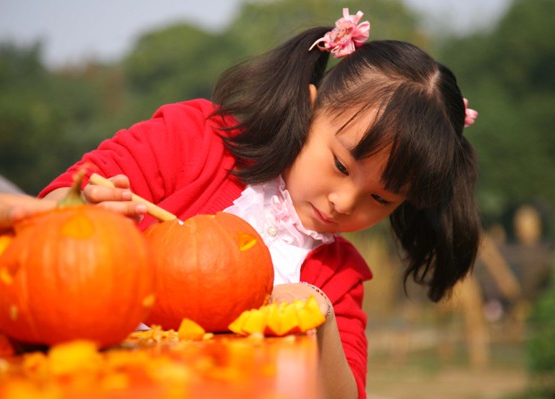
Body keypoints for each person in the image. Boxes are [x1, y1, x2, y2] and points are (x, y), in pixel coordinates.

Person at [39, 9, 480, 399]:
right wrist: (83, 212)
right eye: (341, 166)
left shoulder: (338, 281)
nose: (344, 202)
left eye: (381, 198)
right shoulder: (194, 140)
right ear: (310, 110)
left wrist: (319, 319)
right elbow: (53, 204)